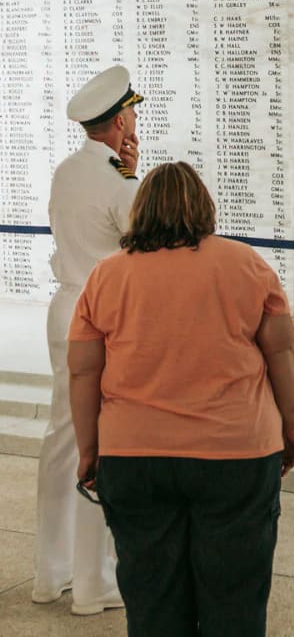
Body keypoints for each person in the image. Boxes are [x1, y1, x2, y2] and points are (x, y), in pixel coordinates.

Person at [67, 161, 294, 637]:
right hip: (237, 453)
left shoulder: (106, 276)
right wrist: (290, 429)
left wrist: (89, 449)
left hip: (133, 456)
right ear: (204, 206)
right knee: (235, 595)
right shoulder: (247, 264)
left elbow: (83, 370)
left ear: (141, 212)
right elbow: (280, 350)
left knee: (152, 598)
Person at [33, 64, 143, 615]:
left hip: (64, 306)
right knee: (100, 444)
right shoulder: (118, 181)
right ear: (121, 118)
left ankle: (49, 574)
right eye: (131, 113)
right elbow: (145, 244)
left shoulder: (67, 170)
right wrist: (133, 175)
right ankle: (93, 582)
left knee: (61, 439)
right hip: (103, 313)